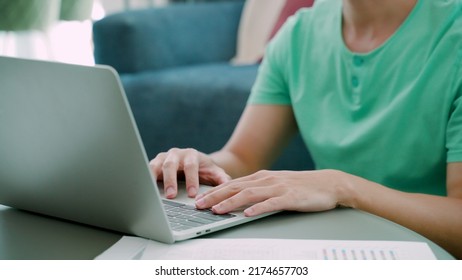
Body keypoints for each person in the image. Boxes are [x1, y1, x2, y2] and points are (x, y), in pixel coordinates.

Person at [150, 0, 462, 259]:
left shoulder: (454, 34)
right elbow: (242, 156)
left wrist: (343, 187)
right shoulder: (299, 34)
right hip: (334, 248)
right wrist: (202, 166)